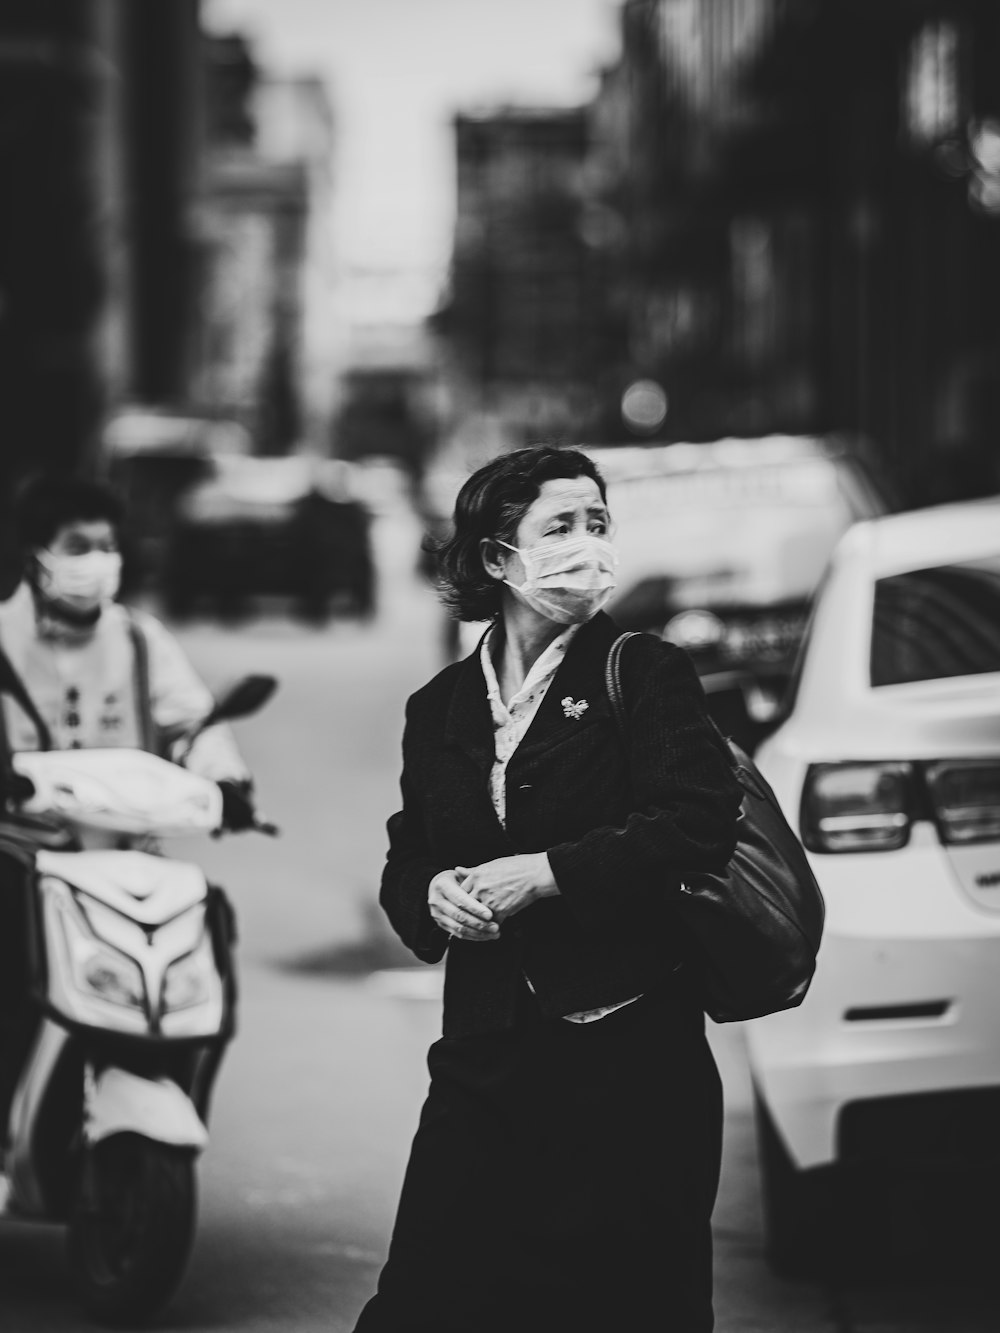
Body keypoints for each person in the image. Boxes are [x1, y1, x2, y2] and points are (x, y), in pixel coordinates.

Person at [353, 445, 744, 1333]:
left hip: (631, 1054)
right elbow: (407, 854)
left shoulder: (642, 672)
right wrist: (434, 894)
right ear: (497, 558)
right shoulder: (439, 706)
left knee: (630, 1303)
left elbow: (698, 821)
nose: (587, 544)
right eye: (560, 526)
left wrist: (553, 873)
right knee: (423, 1294)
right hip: (484, 1057)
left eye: (597, 523)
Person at [0, 475, 254, 1122]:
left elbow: (193, 720)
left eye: (107, 545)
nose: (98, 561)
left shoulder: (141, 639)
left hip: (125, 854)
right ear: (36, 555)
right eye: (79, 545)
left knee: (203, 929)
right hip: (23, 856)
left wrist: (226, 782)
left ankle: (169, 1078)